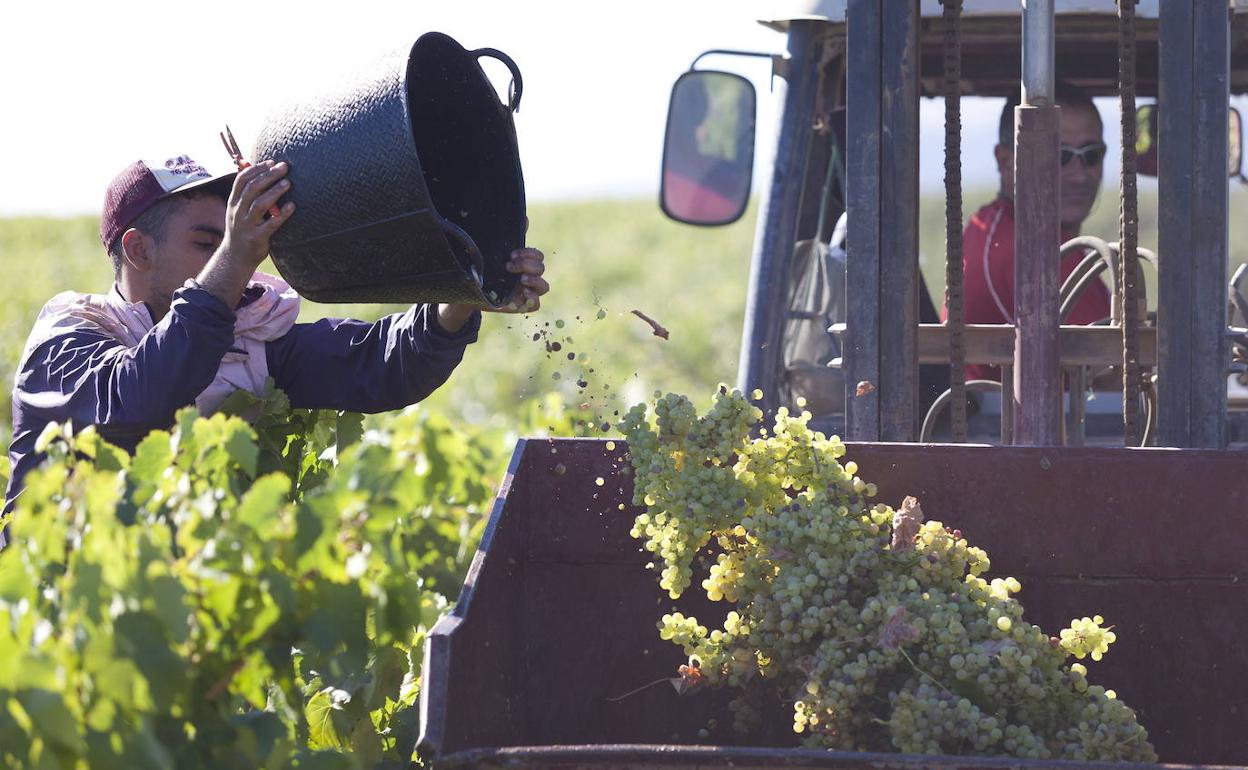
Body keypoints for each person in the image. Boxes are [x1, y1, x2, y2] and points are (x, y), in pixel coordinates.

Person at [2, 155, 548, 537]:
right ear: (138, 250)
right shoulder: (69, 338)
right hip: (52, 635)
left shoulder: (246, 338)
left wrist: (459, 298)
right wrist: (235, 256)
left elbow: (377, 365)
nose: (234, 261)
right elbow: (140, 396)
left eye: (234, 241)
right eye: (206, 244)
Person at [951, 86, 1112, 381]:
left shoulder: (991, 228)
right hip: (1016, 426)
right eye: (1059, 155)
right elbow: (1112, 376)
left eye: (1091, 155)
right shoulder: (1030, 251)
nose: (1079, 175)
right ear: (1005, 161)